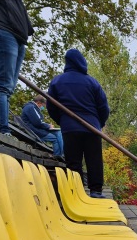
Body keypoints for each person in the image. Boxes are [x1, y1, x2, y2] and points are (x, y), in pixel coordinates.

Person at [47, 49, 109, 198]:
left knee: (73, 161)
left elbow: (51, 107)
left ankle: (77, 191)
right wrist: (99, 123)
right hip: (92, 127)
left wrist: (62, 121)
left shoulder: (57, 81)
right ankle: (95, 191)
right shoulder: (92, 82)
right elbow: (103, 107)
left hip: (69, 128)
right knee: (94, 159)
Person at [0, 0, 34, 135]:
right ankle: (2, 131)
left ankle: (3, 128)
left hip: (17, 34)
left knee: (8, 88)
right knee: (2, 85)